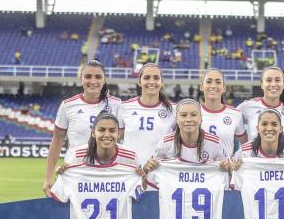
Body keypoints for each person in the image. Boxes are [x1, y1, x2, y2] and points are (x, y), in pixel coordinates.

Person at [43, 60, 123, 197]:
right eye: (88, 76)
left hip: (108, 173)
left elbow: (122, 139)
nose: (93, 81)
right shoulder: (68, 106)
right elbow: (57, 140)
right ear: (81, 79)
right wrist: (48, 177)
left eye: (98, 77)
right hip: (75, 171)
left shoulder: (117, 104)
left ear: (104, 80)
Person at [142, 99, 232, 174]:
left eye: (193, 115)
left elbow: (228, 170)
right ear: (176, 119)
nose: (188, 119)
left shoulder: (214, 142)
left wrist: (227, 167)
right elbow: (151, 170)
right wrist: (147, 167)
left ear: (201, 119)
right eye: (183, 115)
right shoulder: (165, 142)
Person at [119, 62, 176, 168]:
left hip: (160, 172)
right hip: (131, 171)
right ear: (139, 82)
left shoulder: (174, 110)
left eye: (156, 78)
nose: (151, 81)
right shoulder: (124, 107)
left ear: (162, 82)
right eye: (147, 77)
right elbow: (117, 139)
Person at [237, 66, 284, 142]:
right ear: (262, 85)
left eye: (277, 80)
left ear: (283, 84)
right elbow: (231, 120)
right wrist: (246, 143)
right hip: (254, 154)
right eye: (269, 80)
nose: (273, 84)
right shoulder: (248, 106)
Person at [233, 109, 284, 173]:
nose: (269, 128)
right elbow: (234, 180)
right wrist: (233, 168)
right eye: (264, 124)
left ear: (281, 129)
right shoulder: (244, 152)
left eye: (274, 124)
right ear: (257, 128)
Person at [199, 69, 247, 157]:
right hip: (199, 169)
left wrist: (236, 159)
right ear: (201, 87)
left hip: (224, 169)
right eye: (209, 82)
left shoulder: (235, 114)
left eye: (218, 82)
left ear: (224, 88)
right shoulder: (193, 112)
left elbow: (246, 144)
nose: (213, 86)